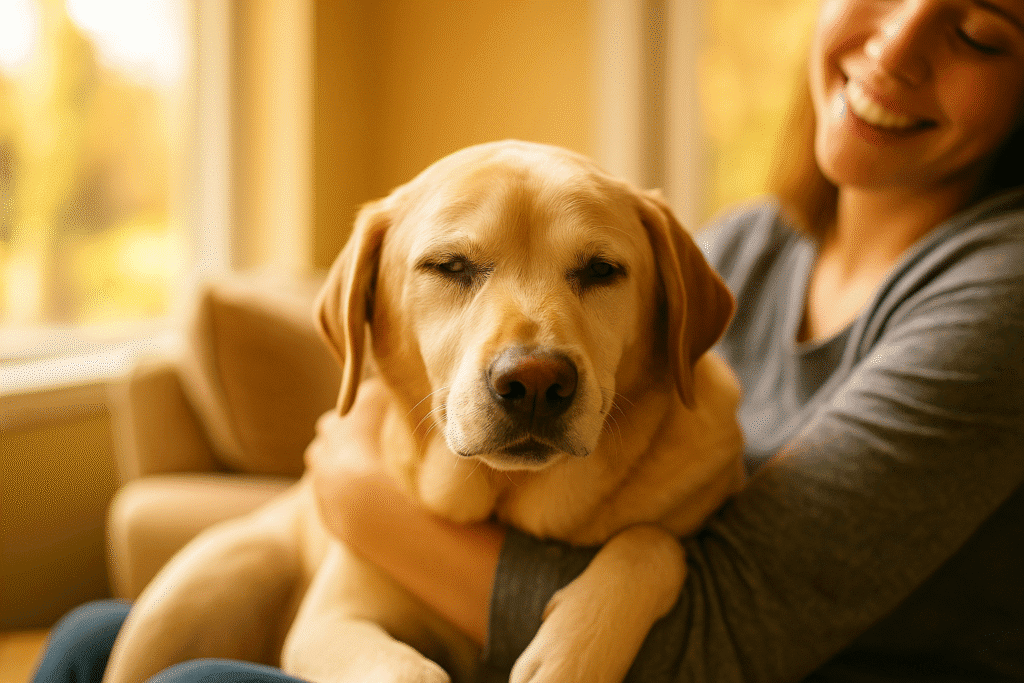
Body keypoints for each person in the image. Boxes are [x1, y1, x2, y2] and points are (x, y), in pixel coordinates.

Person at [32, 0, 1024, 681]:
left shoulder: (1001, 288)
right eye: (455, 269)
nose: (896, 46)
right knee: (87, 642)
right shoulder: (753, 242)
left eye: (981, 30)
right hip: (453, 605)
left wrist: (366, 503)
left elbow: (732, 619)